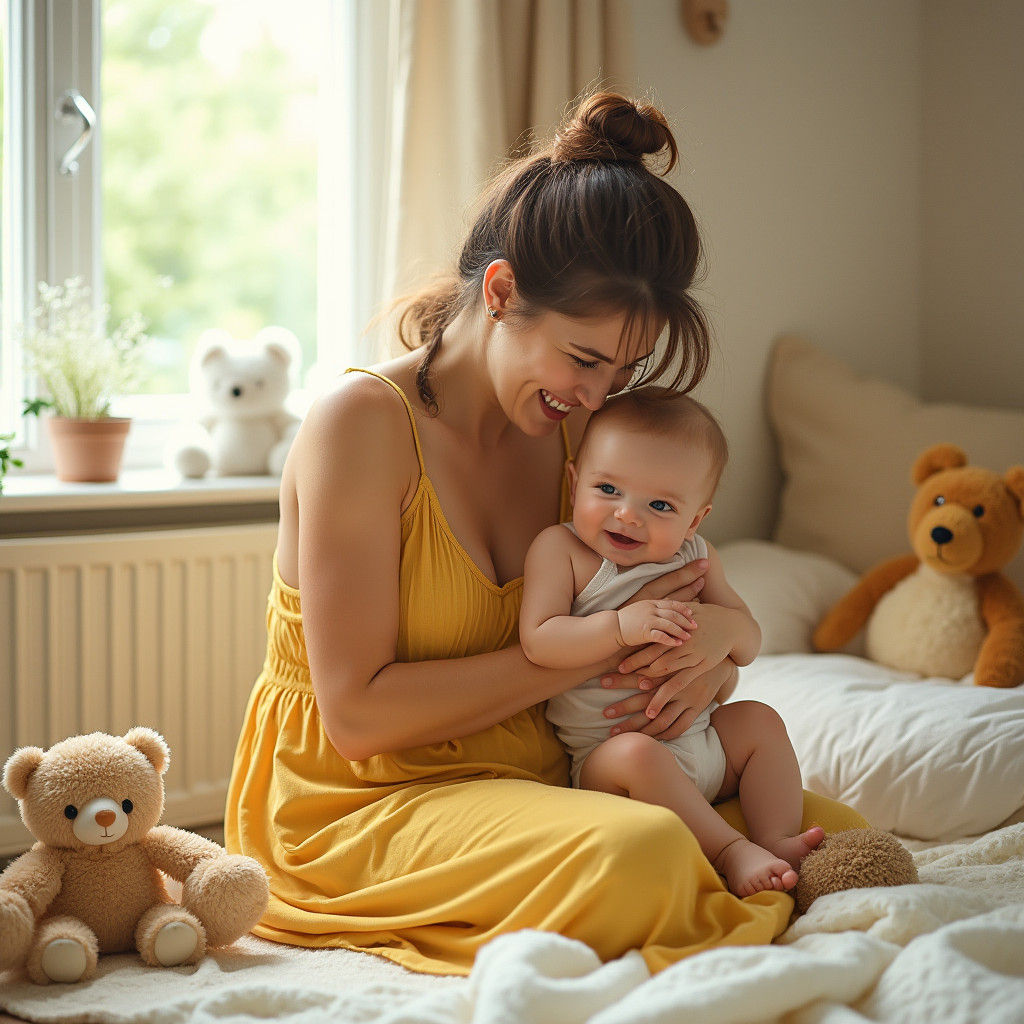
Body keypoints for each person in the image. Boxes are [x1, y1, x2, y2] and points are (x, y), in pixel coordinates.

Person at [224, 91, 868, 977]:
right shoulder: (362, 427)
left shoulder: (577, 436)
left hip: (549, 768)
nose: (600, 397)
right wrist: (595, 649)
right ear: (500, 293)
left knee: (827, 825)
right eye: (585, 359)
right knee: (642, 855)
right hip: (367, 800)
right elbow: (360, 717)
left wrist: (718, 644)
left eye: (624, 370)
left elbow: (673, 592)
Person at [520, 389, 826, 898]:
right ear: (575, 481)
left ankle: (776, 838)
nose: (628, 515)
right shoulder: (562, 551)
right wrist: (618, 627)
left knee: (759, 720)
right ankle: (731, 850)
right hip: (614, 763)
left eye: (660, 504)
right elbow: (540, 640)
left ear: (695, 519)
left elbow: (748, 643)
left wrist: (726, 629)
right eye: (608, 489)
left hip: (702, 743)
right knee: (637, 754)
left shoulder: (696, 556)